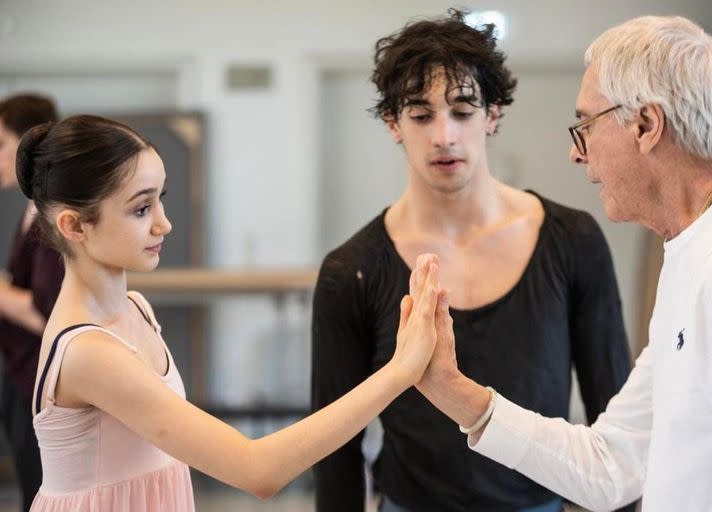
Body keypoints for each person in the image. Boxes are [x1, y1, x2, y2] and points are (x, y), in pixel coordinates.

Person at [415, 15, 712, 512]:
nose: (576, 154)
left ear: (646, 125)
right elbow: (611, 464)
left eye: (585, 125)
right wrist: (453, 391)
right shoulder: (699, 248)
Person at [19, 114, 441, 512]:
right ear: (74, 227)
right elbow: (257, 470)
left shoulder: (135, 309)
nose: (164, 225)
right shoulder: (90, 353)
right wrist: (400, 370)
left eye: (160, 200)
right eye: (141, 209)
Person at [312, 9, 632, 512]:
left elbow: (612, 413)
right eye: (421, 115)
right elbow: (334, 449)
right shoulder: (350, 270)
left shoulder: (573, 240)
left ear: (493, 114)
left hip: (541, 502)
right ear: (393, 123)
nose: (444, 135)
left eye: (462, 111)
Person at [0, 93, 63, 511]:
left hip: (39, 384)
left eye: (1, 145)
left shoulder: (48, 216)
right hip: (21, 375)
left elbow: (46, 313)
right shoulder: (30, 211)